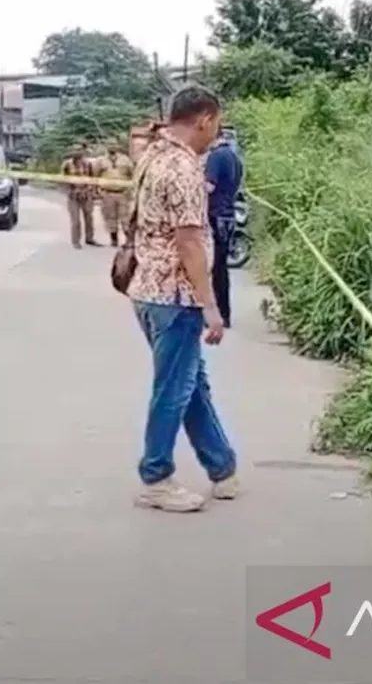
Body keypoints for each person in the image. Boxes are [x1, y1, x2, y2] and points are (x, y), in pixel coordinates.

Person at [126, 85, 238, 512]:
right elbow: (190, 241)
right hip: (175, 294)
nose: (217, 133)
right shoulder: (185, 169)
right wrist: (211, 306)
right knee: (174, 388)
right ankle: (156, 476)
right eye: (218, 124)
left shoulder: (151, 156)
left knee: (190, 384)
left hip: (146, 289)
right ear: (205, 119)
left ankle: (222, 466)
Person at [205, 127, 244, 328]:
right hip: (228, 216)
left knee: (212, 267)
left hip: (215, 216)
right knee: (221, 268)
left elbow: (209, 186)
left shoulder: (216, 157)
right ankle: (224, 313)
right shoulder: (234, 158)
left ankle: (216, 314)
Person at [60, 143, 100, 248]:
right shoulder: (67, 164)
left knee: (89, 218)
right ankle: (76, 241)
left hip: (86, 194)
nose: (77, 152)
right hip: (73, 196)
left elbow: (93, 178)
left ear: (83, 152)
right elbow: (62, 180)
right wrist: (69, 191)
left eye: (79, 150)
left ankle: (89, 238)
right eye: (75, 150)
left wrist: (91, 191)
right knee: (76, 220)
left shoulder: (89, 164)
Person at [98, 142, 135, 247]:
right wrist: (99, 191)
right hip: (107, 194)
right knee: (110, 218)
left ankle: (129, 241)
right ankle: (114, 240)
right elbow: (96, 175)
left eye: (114, 145)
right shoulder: (101, 161)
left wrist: (130, 189)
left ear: (117, 147)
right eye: (110, 145)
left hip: (122, 194)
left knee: (125, 218)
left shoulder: (125, 160)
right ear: (107, 147)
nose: (112, 147)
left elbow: (133, 174)